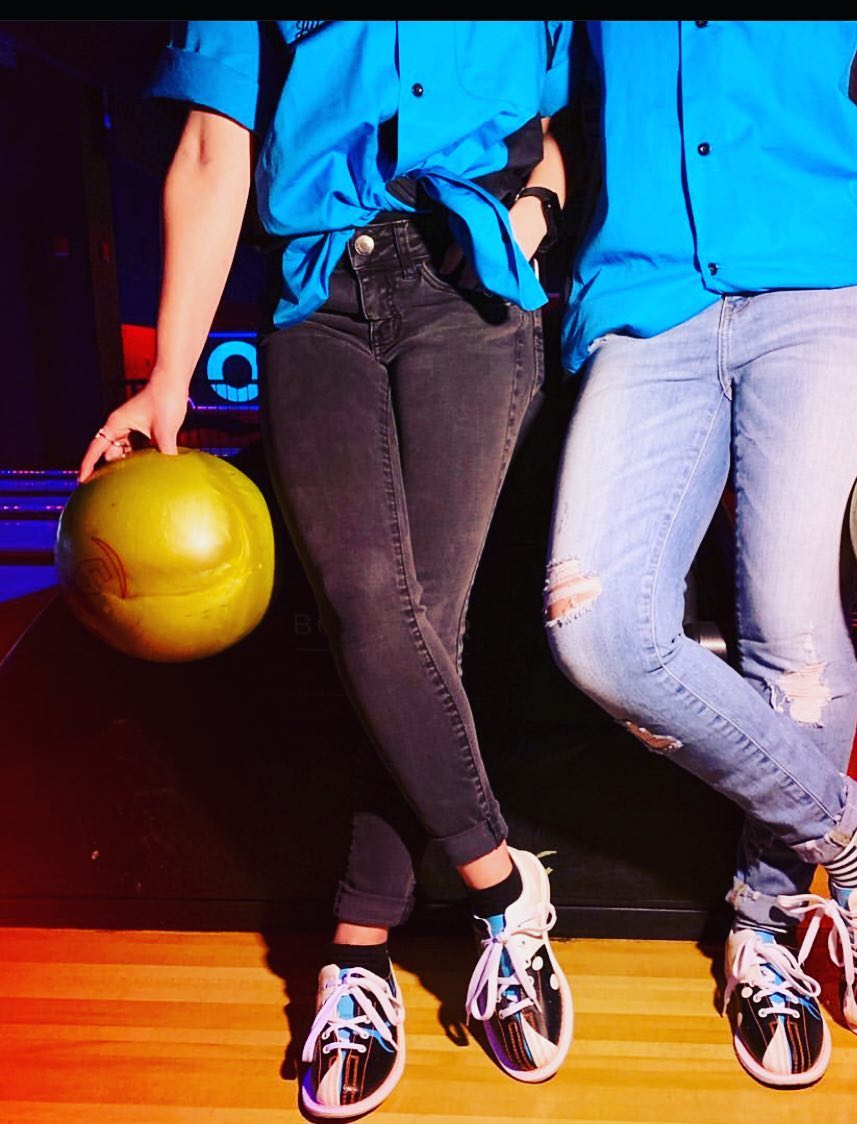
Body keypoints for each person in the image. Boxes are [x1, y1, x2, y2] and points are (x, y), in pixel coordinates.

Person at [79, 20, 574, 1117]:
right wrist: (168, 379)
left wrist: (529, 218)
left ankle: (355, 951)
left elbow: (546, 135)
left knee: (418, 627)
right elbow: (214, 149)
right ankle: (504, 884)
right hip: (315, 300)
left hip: (471, 302)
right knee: (364, 604)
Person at [546, 21, 857, 1087]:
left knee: (795, 642)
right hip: (645, 305)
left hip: (830, 295)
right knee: (597, 630)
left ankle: (764, 925)